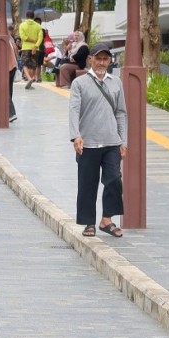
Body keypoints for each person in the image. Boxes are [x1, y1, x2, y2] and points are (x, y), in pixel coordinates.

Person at [70, 43, 127, 239]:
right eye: (98, 58)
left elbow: (121, 113)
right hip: (88, 143)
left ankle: (106, 220)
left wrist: (123, 141)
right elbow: (74, 111)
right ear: (90, 60)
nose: (102, 62)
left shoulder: (116, 82)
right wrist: (75, 135)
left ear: (110, 60)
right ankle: (89, 223)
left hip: (112, 142)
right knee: (87, 184)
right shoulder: (80, 83)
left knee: (114, 180)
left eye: (105, 59)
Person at [0, 17, 18, 123]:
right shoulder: (8, 35)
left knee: (3, 89)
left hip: (4, 65)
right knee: (8, 89)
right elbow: (15, 49)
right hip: (13, 65)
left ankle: (10, 113)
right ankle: (7, 112)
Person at [18, 12, 43, 89]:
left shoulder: (22, 25)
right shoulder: (38, 26)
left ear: (26, 16)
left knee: (25, 64)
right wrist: (36, 45)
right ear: (33, 16)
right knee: (33, 65)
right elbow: (40, 38)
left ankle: (29, 78)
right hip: (35, 48)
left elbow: (22, 37)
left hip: (25, 47)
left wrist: (30, 40)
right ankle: (31, 80)